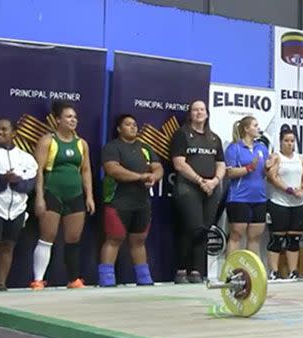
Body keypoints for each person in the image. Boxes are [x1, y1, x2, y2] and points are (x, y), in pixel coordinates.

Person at [30, 101, 95, 290]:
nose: (73, 120)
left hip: (75, 195)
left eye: (75, 117)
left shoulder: (81, 144)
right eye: (68, 117)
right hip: (52, 193)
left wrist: (89, 196)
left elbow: (86, 171)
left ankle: (74, 279)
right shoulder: (48, 141)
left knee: (73, 238)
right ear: (58, 120)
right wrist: (40, 197)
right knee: (47, 236)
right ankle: (38, 279)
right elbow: (39, 170)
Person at [98, 114, 163, 287]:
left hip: (141, 202)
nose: (133, 127)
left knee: (139, 241)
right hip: (118, 201)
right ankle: (106, 279)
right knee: (114, 239)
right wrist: (140, 177)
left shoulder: (145, 148)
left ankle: (144, 279)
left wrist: (154, 177)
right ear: (119, 129)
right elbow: (113, 169)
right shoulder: (112, 147)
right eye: (128, 124)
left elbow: (157, 167)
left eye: (135, 124)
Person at [0, 119, 37, 291]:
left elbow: (31, 182)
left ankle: (1, 283)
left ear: (13, 133)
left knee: (8, 245)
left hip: (17, 208)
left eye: (4, 129)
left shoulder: (26, 157)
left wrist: (18, 182)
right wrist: (2, 179)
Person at [171, 100, 225, 284]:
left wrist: (215, 181)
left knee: (204, 229)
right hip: (188, 187)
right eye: (195, 110)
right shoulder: (182, 134)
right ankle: (181, 270)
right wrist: (200, 181)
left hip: (211, 188)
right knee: (191, 227)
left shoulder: (214, 138)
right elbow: (179, 163)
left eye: (202, 109)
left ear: (207, 114)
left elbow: (221, 164)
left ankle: (197, 271)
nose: (199, 112)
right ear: (190, 114)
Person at [266, 124, 303, 280]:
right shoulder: (276, 157)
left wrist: (302, 190)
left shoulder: (300, 159)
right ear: (281, 142)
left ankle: (293, 271)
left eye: (292, 141)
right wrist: (289, 190)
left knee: (294, 240)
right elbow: (272, 177)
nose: (290, 144)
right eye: (286, 141)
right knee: (276, 239)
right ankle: (273, 271)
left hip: (297, 205)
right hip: (279, 203)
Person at [224, 116, 270, 256]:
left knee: (255, 238)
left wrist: (269, 167)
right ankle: (231, 272)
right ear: (246, 129)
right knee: (236, 236)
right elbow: (230, 172)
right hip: (239, 198)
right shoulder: (234, 148)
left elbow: (264, 172)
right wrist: (249, 168)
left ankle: (250, 273)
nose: (258, 128)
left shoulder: (261, 148)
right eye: (255, 125)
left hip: (259, 198)